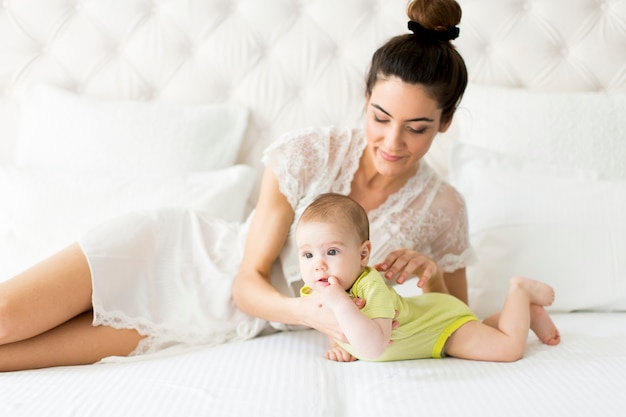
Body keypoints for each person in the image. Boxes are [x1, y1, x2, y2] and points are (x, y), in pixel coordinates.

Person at [0, 0, 475, 372]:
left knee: (9, 359)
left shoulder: (444, 208)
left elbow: (458, 323)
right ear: (366, 98)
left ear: (446, 122)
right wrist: (310, 314)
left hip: (217, 323)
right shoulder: (309, 153)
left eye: (417, 127)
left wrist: (430, 277)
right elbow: (247, 281)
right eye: (380, 117)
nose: (392, 141)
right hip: (182, 254)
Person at [297, 193, 561, 362]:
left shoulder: (369, 286)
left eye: (331, 251)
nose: (318, 265)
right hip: (432, 315)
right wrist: (339, 344)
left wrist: (341, 303)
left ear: (363, 253)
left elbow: (374, 346)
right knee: (481, 329)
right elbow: (335, 325)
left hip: (440, 328)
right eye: (307, 255)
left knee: (508, 350)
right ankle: (526, 314)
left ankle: (520, 291)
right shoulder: (315, 291)